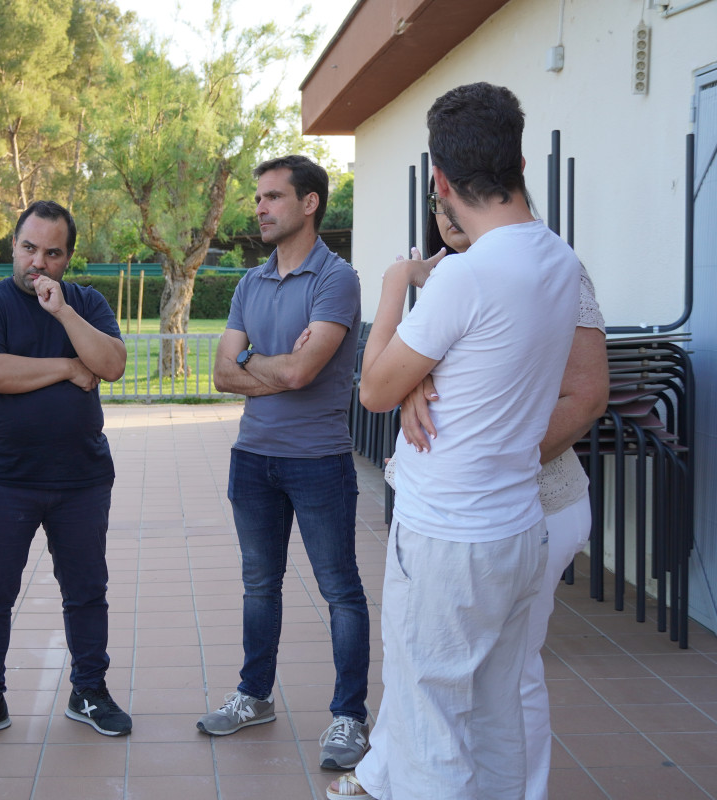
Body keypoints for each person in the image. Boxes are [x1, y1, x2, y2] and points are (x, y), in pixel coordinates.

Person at [328, 82, 580, 800]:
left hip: (447, 535)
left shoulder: (466, 275)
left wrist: (394, 283)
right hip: (517, 527)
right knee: (498, 719)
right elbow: (483, 363)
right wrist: (423, 376)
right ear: (520, 162)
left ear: (440, 180)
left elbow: (374, 389)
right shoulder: (561, 261)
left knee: (428, 728)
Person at [388, 190, 608, 800]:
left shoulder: (552, 271)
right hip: (466, 515)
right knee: (439, 673)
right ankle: (389, 772)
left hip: (529, 505)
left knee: (505, 679)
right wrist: (414, 383)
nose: (447, 217)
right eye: (438, 210)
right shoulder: (458, 279)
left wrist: (494, 464)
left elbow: (586, 395)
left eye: (452, 201)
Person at [198, 154, 371, 771]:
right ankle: (254, 697)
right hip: (252, 458)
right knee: (258, 586)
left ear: (309, 202)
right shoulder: (250, 282)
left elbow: (302, 372)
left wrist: (254, 361)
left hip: (318, 460)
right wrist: (267, 366)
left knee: (340, 590)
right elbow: (221, 374)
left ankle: (349, 717)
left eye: (273, 196)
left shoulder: (337, 279)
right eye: (258, 198)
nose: (261, 208)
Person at [0, 200, 130, 748]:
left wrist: (64, 314)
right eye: (28, 248)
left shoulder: (87, 303)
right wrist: (69, 366)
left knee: (87, 591)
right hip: (2, 477)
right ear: (13, 246)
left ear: (68, 258)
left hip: (81, 478)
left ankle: (89, 691)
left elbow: (112, 365)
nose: (38, 263)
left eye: (52, 253)